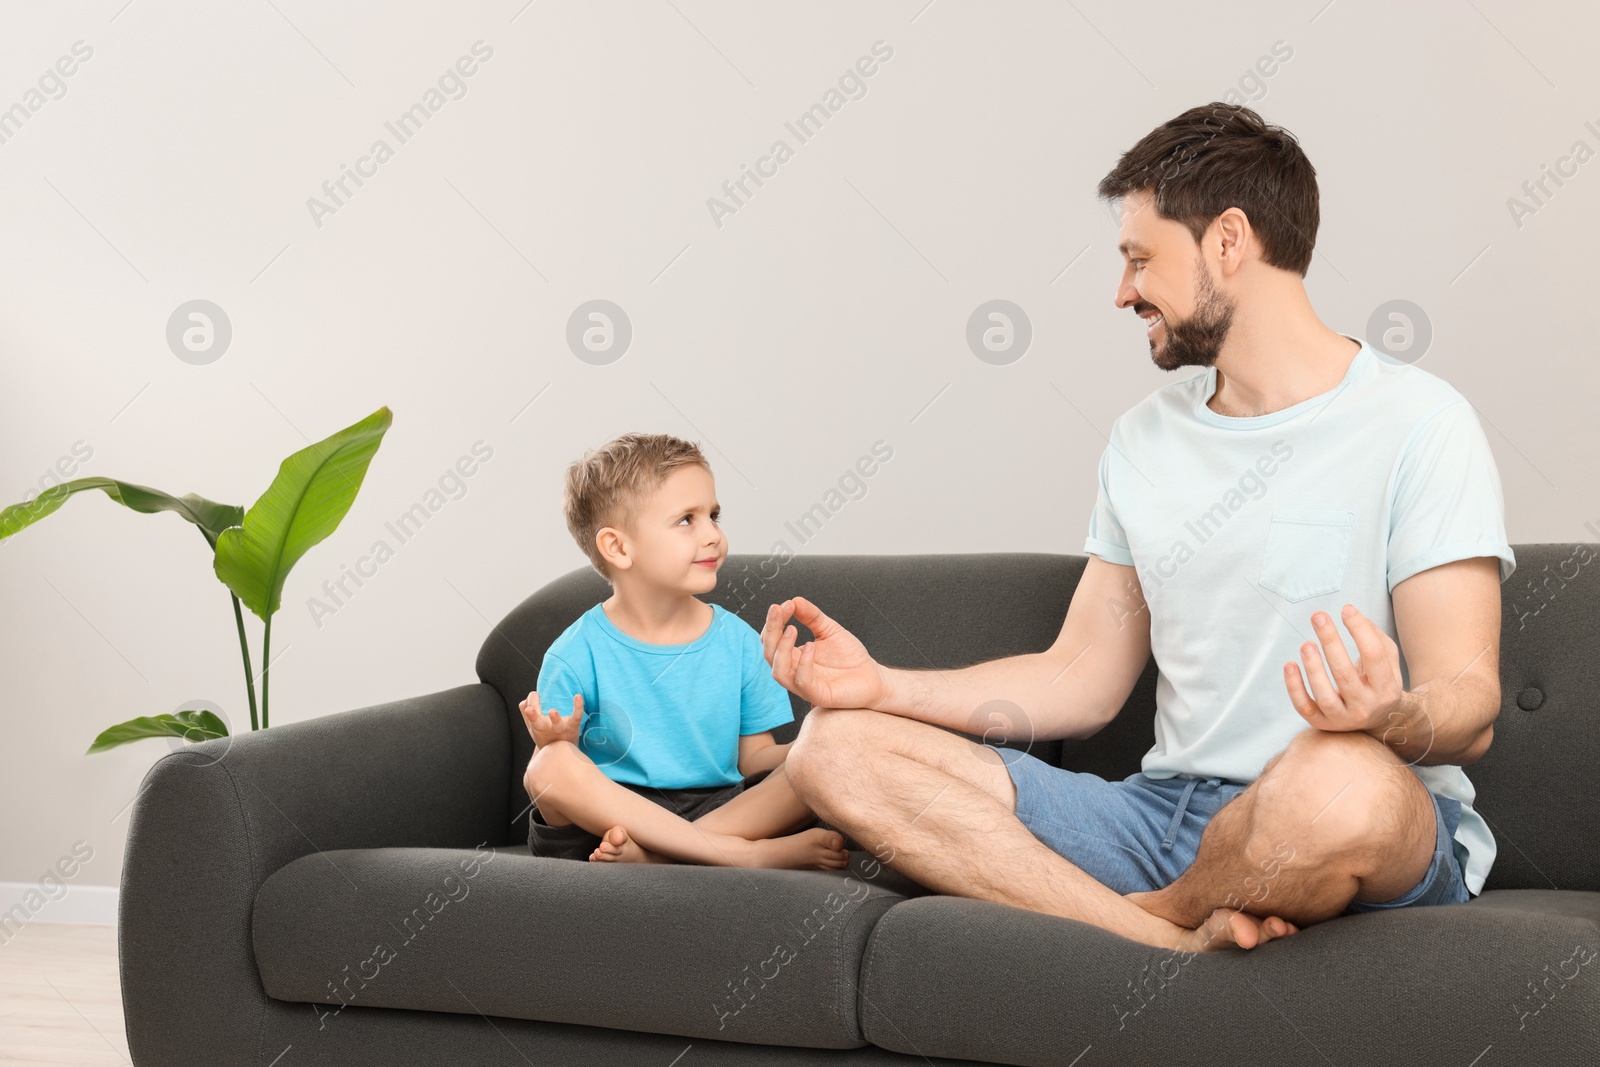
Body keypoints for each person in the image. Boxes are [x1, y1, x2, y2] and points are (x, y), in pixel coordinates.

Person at [761, 102, 1515, 953]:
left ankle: (1153, 918)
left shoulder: (1420, 422)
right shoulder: (1142, 439)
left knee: (1337, 783)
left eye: (1139, 259)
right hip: (1165, 813)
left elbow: (1471, 705)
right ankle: (1169, 936)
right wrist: (881, 686)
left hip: (1347, 808)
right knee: (834, 748)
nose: (1123, 293)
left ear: (1229, 241)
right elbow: (1081, 677)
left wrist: (1388, 715)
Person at [522, 431, 848, 870]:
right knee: (547, 767)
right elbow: (565, 779)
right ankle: (743, 855)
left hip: (722, 810)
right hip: (610, 822)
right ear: (618, 547)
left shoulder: (738, 642)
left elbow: (754, 760)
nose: (713, 535)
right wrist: (554, 741)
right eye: (686, 520)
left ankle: (661, 855)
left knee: (823, 759)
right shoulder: (574, 653)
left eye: (714, 516)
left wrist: (824, 739)